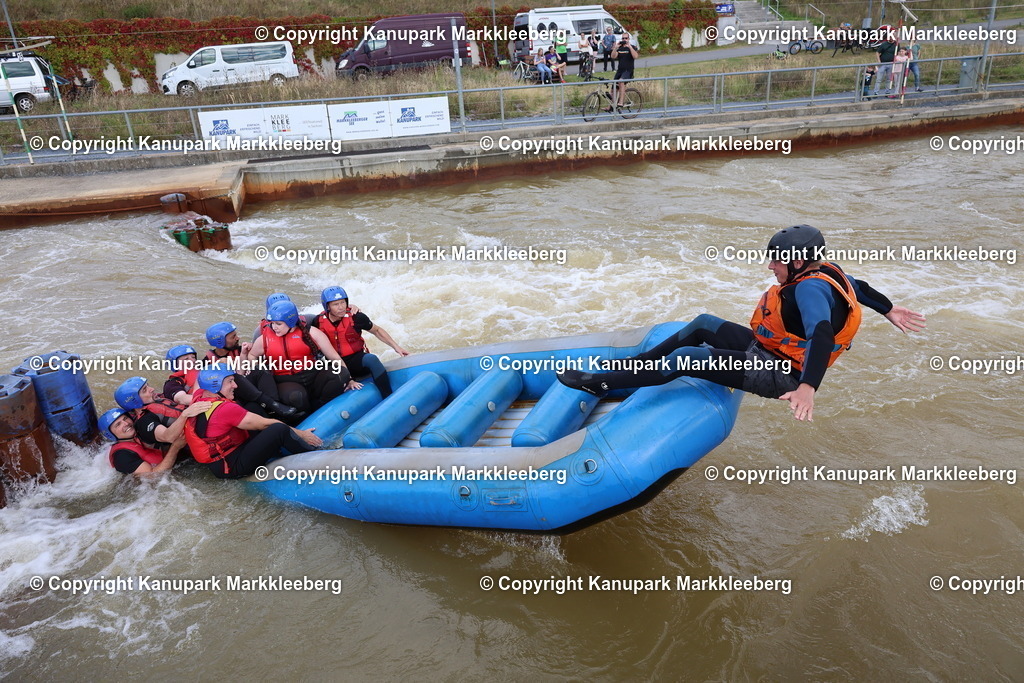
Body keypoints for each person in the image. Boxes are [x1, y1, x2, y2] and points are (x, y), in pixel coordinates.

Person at [557, 225, 926, 422]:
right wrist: (889, 309)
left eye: (777, 261)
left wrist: (808, 388)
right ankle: (632, 367)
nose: (771, 267)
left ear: (799, 262)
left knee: (687, 356)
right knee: (702, 323)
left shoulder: (809, 292)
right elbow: (857, 288)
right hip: (771, 349)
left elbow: (823, 333)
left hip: (784, 374)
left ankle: (599, 384)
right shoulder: (826, 269)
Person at [184, 367, 322, 479]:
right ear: (215, 385)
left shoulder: (200, 397)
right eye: (230, 381)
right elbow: (266, 424)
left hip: (222, 461)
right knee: (279, 429)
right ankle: (316, 455)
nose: (235, 385)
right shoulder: (225, 409)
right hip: (231, 467)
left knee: (253, 407)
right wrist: (302, 434)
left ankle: (279, 448)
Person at [244, 300, 356, 414]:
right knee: (296, 396)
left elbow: (334, 357)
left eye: (278, 324)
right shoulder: (265, 338)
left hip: (313, 374)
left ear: (291, 321)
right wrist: (260, 370)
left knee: (342, 373)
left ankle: (322, 406)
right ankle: (305, 416)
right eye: (272, 323)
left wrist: (350, 379)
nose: (274, 327)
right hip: (286, 380)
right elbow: (252, 355)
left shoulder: (311, 332)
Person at [313, 286, 409, 398]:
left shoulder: (356, 317)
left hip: (356, 359)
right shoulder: (317, 322)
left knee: (371, 359)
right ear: (327, 306)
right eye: (336, 304)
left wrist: (396, 347)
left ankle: (387, 395)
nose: (341, 307)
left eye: (342, 302)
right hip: (335, 364)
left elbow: (377, 330)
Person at [205, 321, 298, 420]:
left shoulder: (240, 349)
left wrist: (246, 354)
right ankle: (273, 406)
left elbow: (247, 370)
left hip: (250, 389)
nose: (238, 338)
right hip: (233, 394)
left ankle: (275, 407)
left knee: (260, 368)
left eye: (236, 335)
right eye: (233, 337)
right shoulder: (207, 363)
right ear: (220, 342)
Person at [99, 404, 205, 476]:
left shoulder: (134, 435)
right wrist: (176, 447)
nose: (126, 423)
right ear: (110, 434)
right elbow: (154, 476)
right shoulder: (122, 456)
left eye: (125, 418)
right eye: (118, 424)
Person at [610, 31, 639, 111]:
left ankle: (621, 102)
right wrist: (616, 47)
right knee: (613, 90)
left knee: (621, 81)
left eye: (626, 38)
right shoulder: (620, 48)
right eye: (623, 38)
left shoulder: (632, 47)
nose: (624, 40)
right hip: (620, 71)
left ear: (628, 39)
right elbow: (613, 56)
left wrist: (629, 47)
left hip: (628, 71)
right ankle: (611, 107)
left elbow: (636, 56)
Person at [871, 27, 898, 98]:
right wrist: (879, 61)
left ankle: (887, 92)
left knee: (889, 79)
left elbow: (897, 53)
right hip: (883, 64)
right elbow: (877, 52)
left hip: (891, 63)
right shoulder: (884, 44)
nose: (891, 38)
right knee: (879, 79)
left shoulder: (896, 44)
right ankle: (876, 92)